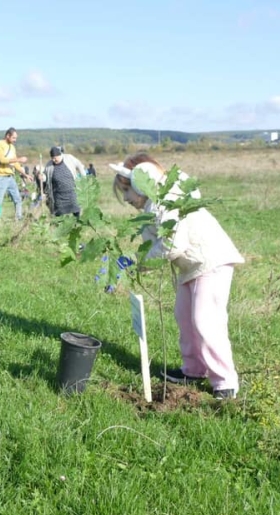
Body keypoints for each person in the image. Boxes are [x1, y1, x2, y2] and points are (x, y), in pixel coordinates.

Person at [109, 154, 245, 400]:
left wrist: (143, 263)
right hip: (189, 268)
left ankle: (225, 382)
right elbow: (152, 246)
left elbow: (172, 245)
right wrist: (133, 261)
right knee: (184, 318)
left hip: (210, 261)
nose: (127, 198)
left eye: (127, 190)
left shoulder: (166, 203)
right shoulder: (149, 211)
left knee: (205, 320)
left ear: (143, 184)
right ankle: (193, 371)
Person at [0, 127, 31, 221]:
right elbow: (2, 160)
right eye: (14, 138)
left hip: (10, 177)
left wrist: (25, 174)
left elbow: (15, 164)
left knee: (18, 199)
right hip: (1, 176)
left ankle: (19, 218)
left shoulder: (12, 147)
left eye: (16, 138)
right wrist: (19, 159)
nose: (15, 140)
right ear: (8, 136)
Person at [44, 146, 86, 218]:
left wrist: (84, 177)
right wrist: (42, 177)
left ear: (59, 155)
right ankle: (59, 226)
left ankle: (77, 223)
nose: (54, 160)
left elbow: (79, 165)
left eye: (55, 158)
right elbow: (45, 175)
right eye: (52, 158)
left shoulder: (69, 158)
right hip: (58, 194)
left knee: (76, 209)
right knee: (59, 212)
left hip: (72, 191)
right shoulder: (49, 165)